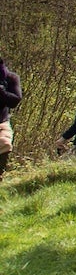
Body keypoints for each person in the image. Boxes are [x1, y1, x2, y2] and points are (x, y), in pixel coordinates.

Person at [0, 53, 21, 181]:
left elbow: (15, 100)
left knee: (5, 144)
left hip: (1, 123)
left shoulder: (10, 78)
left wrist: (1, 91)